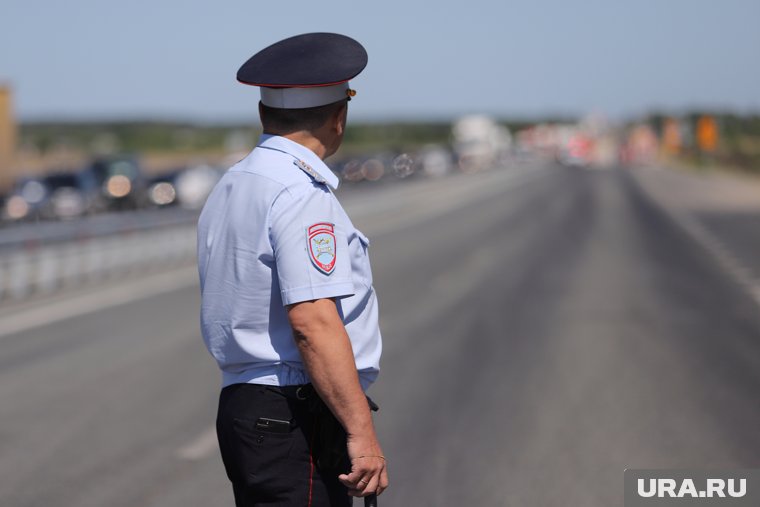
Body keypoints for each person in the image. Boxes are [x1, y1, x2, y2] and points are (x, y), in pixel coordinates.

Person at [197, 33, 388, 507]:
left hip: (246, 407)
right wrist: (361, 435)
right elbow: (312, 321)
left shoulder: (234, 183)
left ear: (264, 114)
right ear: (339, 117)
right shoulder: (300, 194)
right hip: (293, 414)